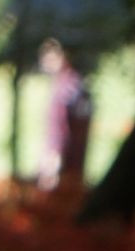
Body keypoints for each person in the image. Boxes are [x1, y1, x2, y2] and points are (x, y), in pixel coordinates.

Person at [38, 39, 95, 190]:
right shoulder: (61, 84)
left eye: (51, 56)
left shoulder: (70, 87)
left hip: (66, 161)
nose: (46, 61)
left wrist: (55, 155)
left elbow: (64, 125)